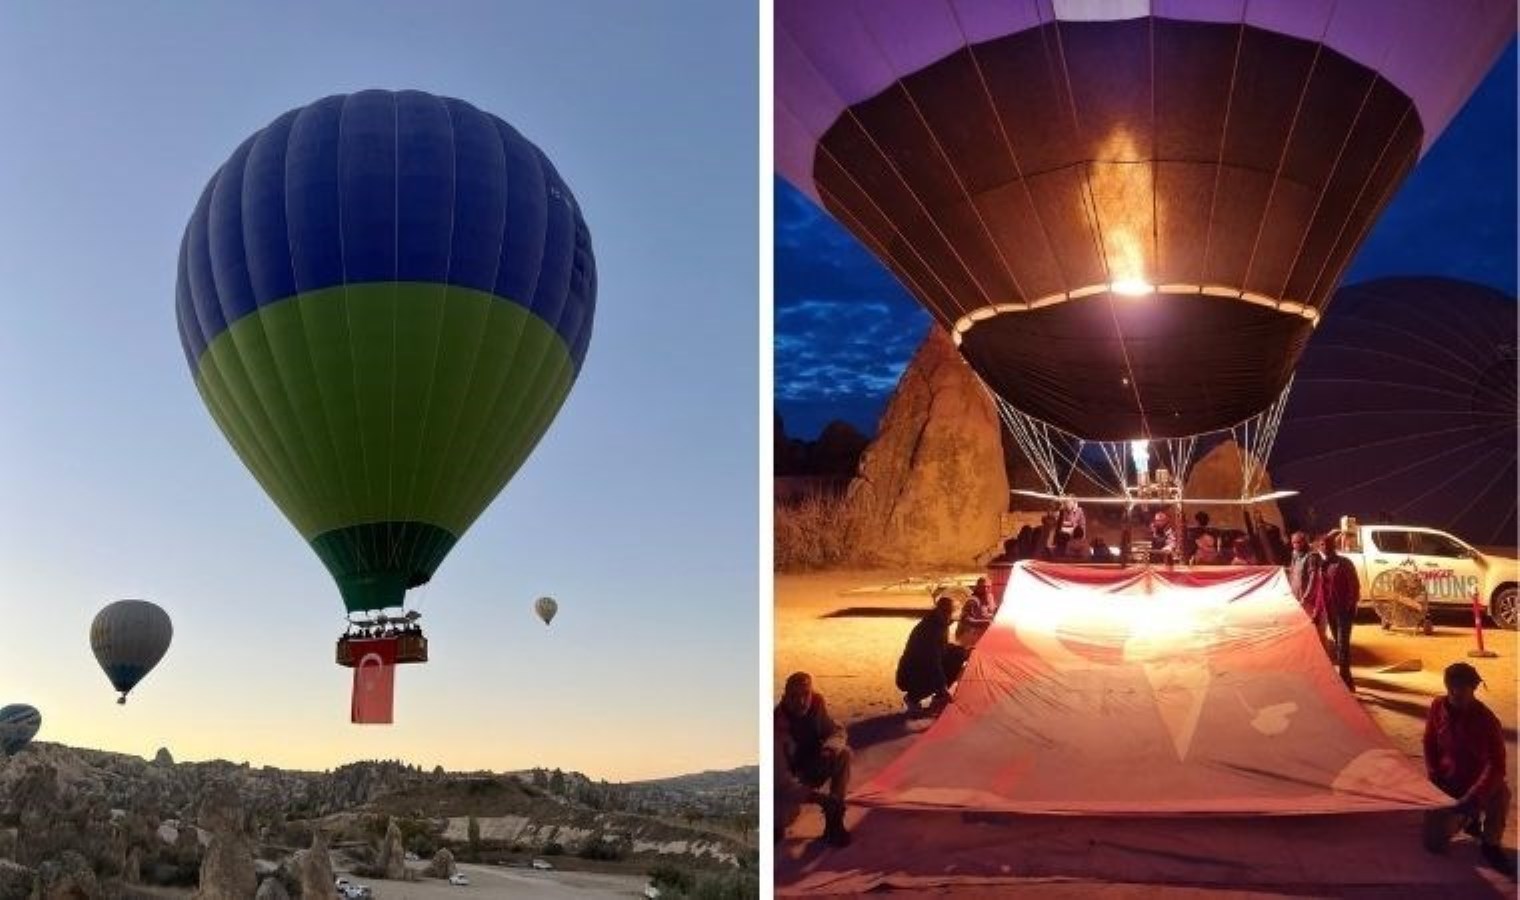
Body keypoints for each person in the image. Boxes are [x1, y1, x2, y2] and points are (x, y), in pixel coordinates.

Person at [1421, 663, 1514, 876]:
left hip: (1477, 784)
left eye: (1462, 688)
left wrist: (1474, 797)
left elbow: (1497, 765)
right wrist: (1434, 775)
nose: (1456, 693)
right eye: (1452, 687)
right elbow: (1429, 742)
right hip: (1448, 782)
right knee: (1433, 843)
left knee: (1501, 793)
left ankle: (1490, 843)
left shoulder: (1487, 720)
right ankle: (1469, 820)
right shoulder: (1438, 706)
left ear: (1473, 689)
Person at [774, 672, 852, 847]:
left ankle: (834, 821)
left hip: (810, 769)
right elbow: (782, 783)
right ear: (785, 697)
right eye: (794, 696)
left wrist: (829, 749)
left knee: (844, 754)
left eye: (805, 694)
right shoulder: (775, 729)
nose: (801, 701)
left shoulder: (816, 708)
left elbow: (836, 731)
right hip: (785, 785)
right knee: (778, 822)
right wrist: (818, 799)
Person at [896, 594, 967, 715]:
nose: (947, 615)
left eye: (949, 612)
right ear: (938, 610)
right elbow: (932, 661)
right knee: (936, 676)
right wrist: (943, 687)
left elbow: (942, 649)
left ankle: (938, 697)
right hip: (911, 674)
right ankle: (913, 698)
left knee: (959, 654)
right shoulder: (930, 629)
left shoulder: (940, 624)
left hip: (924, 666)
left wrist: (964, 651)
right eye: (945, 612)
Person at [1315, 531, 1361, 689]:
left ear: (1333, 546)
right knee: (1338, 645)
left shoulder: (1344, 563)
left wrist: (1351, 604)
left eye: (1327, 544)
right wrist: (1318, 610)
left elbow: (1354, 585)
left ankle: (1346, 679)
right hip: (1330, 611)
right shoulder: (1322, 565)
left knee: (1343, 645)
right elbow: (1321, 590)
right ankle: (1345, 679)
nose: (1324, 547)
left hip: (1344, 611)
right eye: (1322, 545)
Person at [1287, 531, 1328, 653]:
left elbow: (1313, 578)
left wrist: (1306, 597)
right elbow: (1292, 572)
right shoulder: (1295, 554)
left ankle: (1322, 655)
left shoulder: (1312, 556)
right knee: (1303, 628)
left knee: (1316, 628)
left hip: (1310, 600)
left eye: (1298, 542)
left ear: (1304, 542)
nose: (1295, 545)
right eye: (1293, 542)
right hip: (1297, 597)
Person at [955, 580, 995, 644]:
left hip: (980, 636)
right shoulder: (972, 601)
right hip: (968, 636)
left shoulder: (989, 599)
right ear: (978, 588)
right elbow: (966, 619)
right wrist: (985, 622)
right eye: (983, 587)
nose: (985, 589)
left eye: (988, 587)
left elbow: (990, 612)